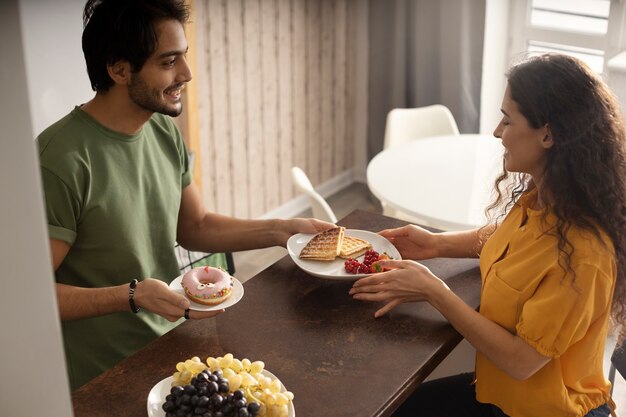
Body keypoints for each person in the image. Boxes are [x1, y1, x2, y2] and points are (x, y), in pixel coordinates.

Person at [37, 0, 333, 390]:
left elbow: (195, 226)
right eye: (168, 62)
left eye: (184, 58)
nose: (187, 74)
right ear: (119, 68)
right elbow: (32, 296)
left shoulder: (162, 130)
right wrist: (131, 295)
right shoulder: (59, 160)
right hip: (103, 376)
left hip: (173, 344)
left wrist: (279, 230)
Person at [350, 53, 626, 417]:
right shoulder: (542, 198)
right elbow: (514, 238)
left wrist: (433, 290)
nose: (498, 132)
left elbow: (521, 362)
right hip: (499, 394)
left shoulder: (585, 255)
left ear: (548, 134)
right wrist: (437, 243)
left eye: (508, 120)